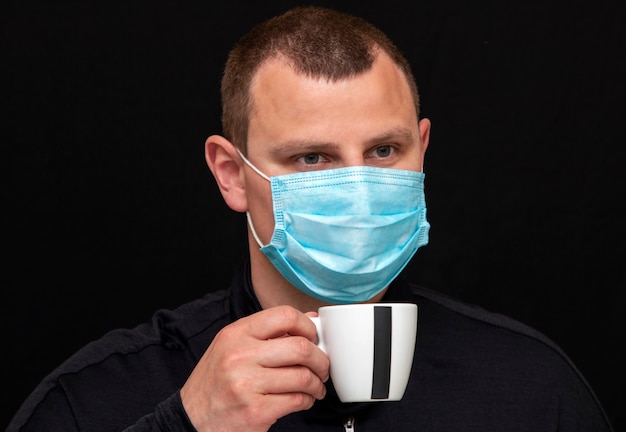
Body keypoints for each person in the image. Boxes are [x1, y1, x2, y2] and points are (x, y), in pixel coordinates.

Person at [7, 6, 614, 432]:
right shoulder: (97, 399)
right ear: (230, 173)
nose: (357, 193)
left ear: (422, 151)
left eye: (383, 151)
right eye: (312, 158)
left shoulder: (533, 389)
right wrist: (185, 426)